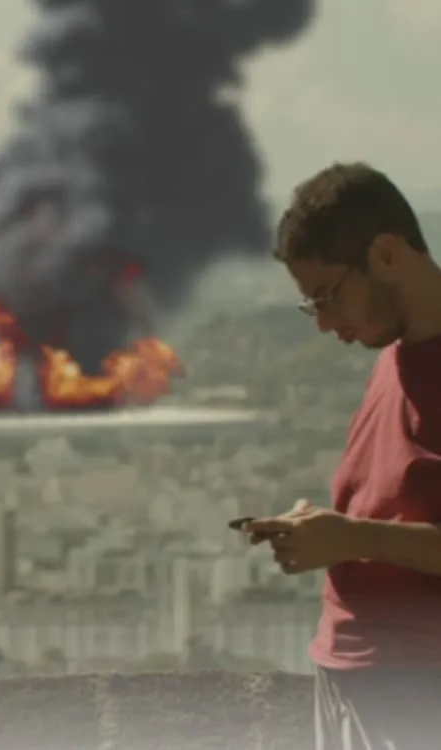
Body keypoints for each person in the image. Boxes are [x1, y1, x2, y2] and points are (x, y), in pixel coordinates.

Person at [245, 162, 441, 750]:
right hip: (357, 681)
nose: (326, 325)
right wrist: (329, 531)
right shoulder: (395, 357)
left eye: (327, 297)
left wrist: (354, 539)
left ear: (385, 255)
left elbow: (373, 532)